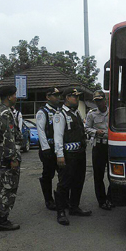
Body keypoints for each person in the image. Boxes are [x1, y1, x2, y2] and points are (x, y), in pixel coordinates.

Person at [53, 87, 92, 226]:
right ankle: (61, 212)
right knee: (64, 183)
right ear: (67, 98)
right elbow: (58, 136)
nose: (77, 99)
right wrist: (60, 155)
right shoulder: (60, 115)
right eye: (74, 97)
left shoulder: (76, 113)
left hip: (79, 153)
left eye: (77, 97)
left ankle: (74, 207)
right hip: (68, 155)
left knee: (78, 181)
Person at [0, 86, 22, 231]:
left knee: (1, 186)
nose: (16, 97)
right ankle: (1, 219)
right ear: (9, 97)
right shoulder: (5, 113)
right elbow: (8, 137)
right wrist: (13, 158)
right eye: (14, 95)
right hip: (7, 155)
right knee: (8, 188)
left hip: (0, 155)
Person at [85, 90, 114, 210]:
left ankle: (112, 198)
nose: (98, 103)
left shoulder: (113, 112)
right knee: (98, 175)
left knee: (113, 175)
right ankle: (102, 200)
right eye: (96, 101)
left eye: (100, 100)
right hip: (98, 146)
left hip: (111, 146)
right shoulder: (91, 114)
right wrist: (96, 132)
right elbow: (86, 128)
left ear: (105, 100)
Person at [36, 87, 62, 211]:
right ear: (48, 97)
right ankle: (49, 200)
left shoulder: (59, 110)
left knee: (63, 173)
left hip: (58, 148)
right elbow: (40, 131)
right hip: (48, 148)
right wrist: (45, 148)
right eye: (54, 95)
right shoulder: (43, 112)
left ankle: (62, 198)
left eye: (58, 95)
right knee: (48, 174)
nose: (58, 97)